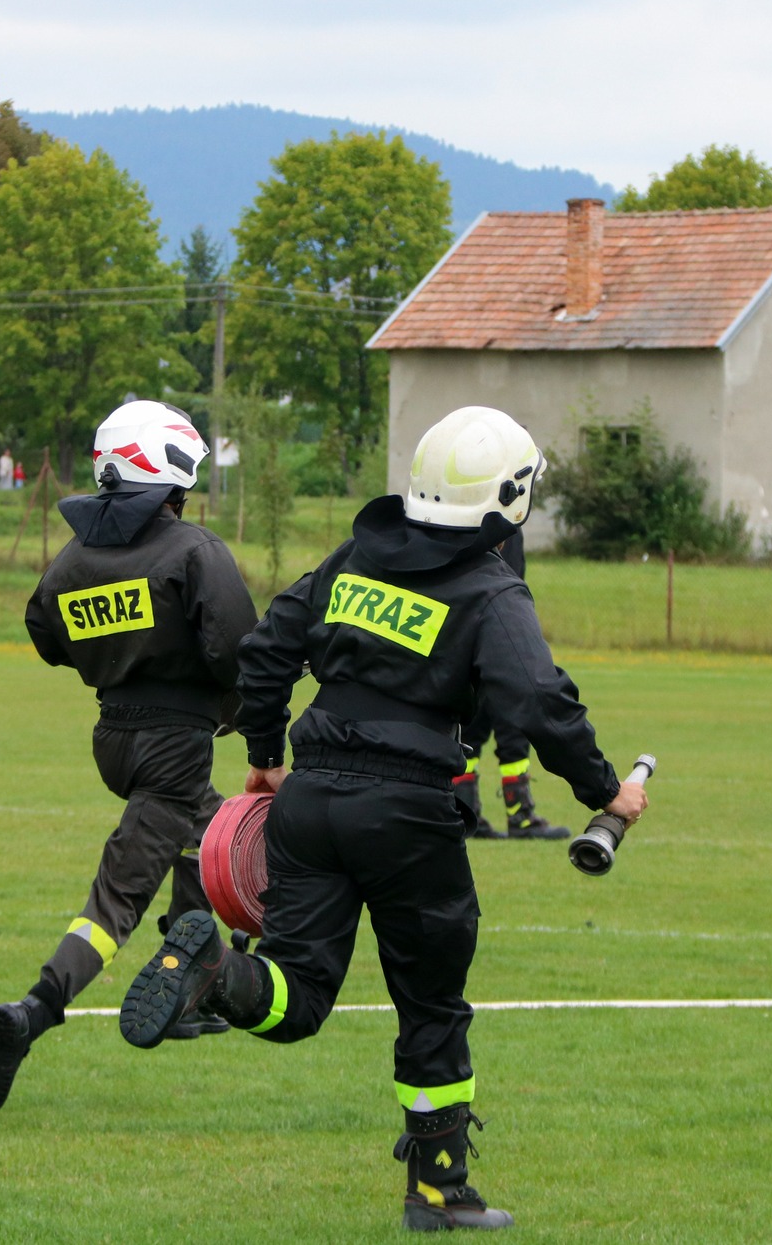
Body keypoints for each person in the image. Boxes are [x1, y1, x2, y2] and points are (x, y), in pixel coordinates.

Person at [118, 406, 651, 1232]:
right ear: (508, 496)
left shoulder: (355, 557)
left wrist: (265, 753)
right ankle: (438, 1190)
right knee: (431, 1003)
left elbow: (266, 650)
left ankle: (217, 971)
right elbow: (540, 703)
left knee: (296, 996)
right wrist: (605, 792)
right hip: (408, 812)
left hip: (310, 799)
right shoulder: (490, 587)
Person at [0, 399, 258, 1116]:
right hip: (173, 745)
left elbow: (45, 634)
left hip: (114, 739)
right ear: (168, 471)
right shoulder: (194, 550)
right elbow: (236, 650)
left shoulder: (72, 558)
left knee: (211, 835)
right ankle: (35, 1009)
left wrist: (123, 659)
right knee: (117, 898)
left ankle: (190, 984)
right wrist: (241, 716)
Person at [449, 532, 568, 841]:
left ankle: (465, 812)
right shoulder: (506, 527)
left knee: (470, 729)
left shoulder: (463, 523)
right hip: (497, 633)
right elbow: (506, 579)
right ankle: (520, 815)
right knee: (513, 728)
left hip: (465, 635)